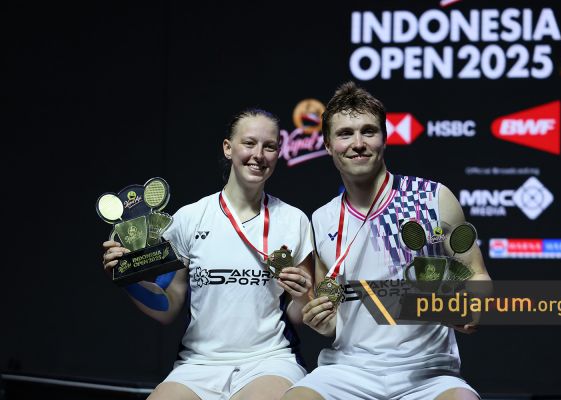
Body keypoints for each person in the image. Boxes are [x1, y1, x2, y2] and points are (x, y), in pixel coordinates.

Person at [282, 82, 491, 400]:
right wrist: (321, 321)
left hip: (428, 373)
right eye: (345, 134)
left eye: (368, 131)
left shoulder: (432, 198)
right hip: (348, 370)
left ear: (385, 137)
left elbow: (477, 273)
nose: (358, 144)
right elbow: (333, 318)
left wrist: (473, 306)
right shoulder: (322, 219)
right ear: (327, 144)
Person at [102, 109, 314, 400]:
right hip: (198, 364)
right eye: (249, 143)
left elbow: (298, 315)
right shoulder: (189, 219)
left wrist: (302, 297)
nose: (258, 155)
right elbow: (168, 304)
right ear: (228, 148)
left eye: (269, 146)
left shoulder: (294, 221)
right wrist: (128, 279)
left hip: (270, 360)